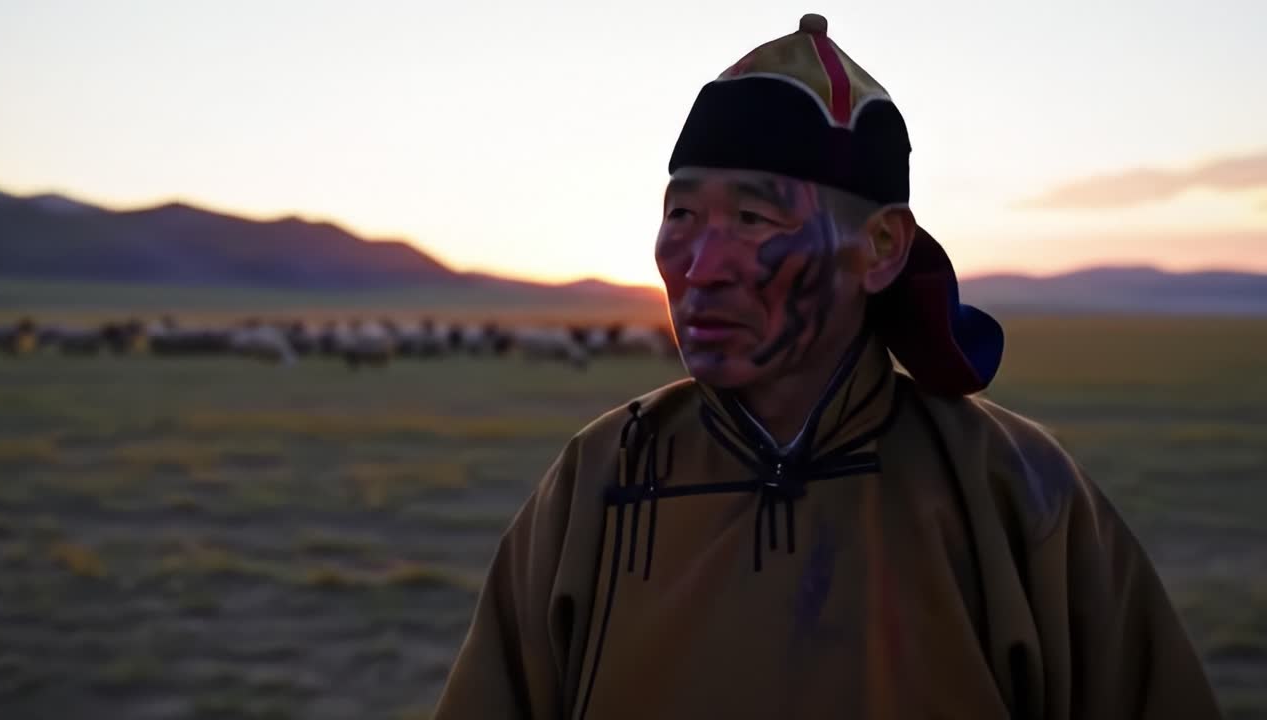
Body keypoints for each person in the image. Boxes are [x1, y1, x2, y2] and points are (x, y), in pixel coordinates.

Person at [433, 13, 1221, 720]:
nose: (702, 265)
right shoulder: (601, 479)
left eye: (750, 217)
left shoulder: (1012, 492)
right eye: (680, 215)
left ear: (879, 248)